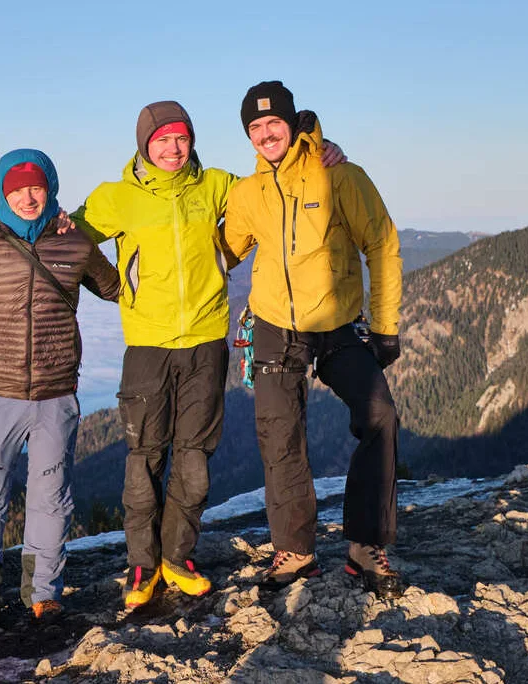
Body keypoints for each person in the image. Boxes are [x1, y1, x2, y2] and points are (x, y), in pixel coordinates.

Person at [70, 101, 346, 608]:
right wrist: (110, 285)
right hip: (147, 343)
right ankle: (141, 564)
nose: (173, 149)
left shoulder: (216, 185)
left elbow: (272, 184)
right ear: (144, 145)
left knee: (195, 458)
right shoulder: (117, 198)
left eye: (181, 139)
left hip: (204, 340)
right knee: (145, 457)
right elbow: (65, 237)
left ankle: (177, 557)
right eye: (162, 141)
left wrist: (319, 152)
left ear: (192, 141)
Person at [221, 81, 404, 599]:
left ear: (291, 121)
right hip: (276, 326)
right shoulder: (246, 193)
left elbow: (382, 244)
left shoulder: (337, 173)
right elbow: (224, 251)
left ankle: (365, 546)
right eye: (254, 128)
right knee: (279, 432)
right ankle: (296, 551)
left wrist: (386, 328)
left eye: (271, 123)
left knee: (379, 416)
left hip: (337, 324)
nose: (264, 134)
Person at [0, 148, 120, 640]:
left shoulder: (73, 242)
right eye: (15, 188)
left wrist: (91, 235)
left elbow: (113, 288)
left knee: (52, 500)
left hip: (55, 394)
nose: (26, 196)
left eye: (36, 186)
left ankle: (44, 595)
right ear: (1, 193)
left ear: (51, 189)